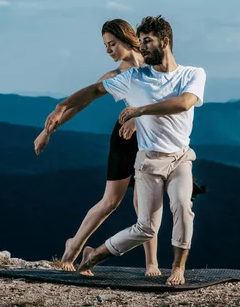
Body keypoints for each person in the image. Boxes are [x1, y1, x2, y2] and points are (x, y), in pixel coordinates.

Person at [44, 15, 206, 286]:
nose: (142, 47)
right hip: (145, 156)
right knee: (140, 221)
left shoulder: (192, 73)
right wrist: (61, 107)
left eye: (147, 41)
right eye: (140, 41)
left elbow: (184, 102)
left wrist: (139, 112)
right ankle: (89, 253)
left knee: (181, 207)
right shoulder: (132, 77)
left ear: (164, 42)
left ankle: (174, 267)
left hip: (179, 157)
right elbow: (93, 92)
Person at [34, 19, 161, 277]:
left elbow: (169, 98)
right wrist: (46, 130)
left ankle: (152, 264)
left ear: (127, 39)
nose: (108, 51)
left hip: (153, 137)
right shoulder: (115, 75)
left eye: (112, 44)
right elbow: (82, 102)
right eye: (106, 46)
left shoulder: (155, 63)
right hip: (126, 140)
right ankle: (74, 246)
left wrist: (140, 117)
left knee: (144, 204)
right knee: (111, 201)